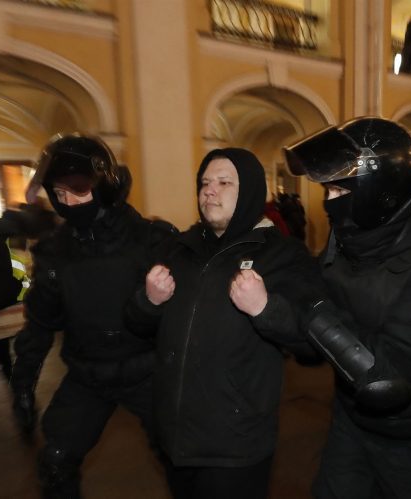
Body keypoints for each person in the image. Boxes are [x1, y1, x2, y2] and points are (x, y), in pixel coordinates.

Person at [284, 117, 411, 499]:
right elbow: (315, 340)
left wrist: (314, 311)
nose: (328, 203)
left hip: (410, 437)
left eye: (339, 192)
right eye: (328, 192)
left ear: (379, 192)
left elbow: (386, 379)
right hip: (349, 418)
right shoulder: (347, 245)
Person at [124, 148, 324, 498]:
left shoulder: (282, 256)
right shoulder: (177, 250)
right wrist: (149, 301)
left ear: (247, 191)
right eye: (204, 182)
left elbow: (312, 344)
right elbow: (135, 325)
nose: (209, 190)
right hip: (175, 438)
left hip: (235, 445)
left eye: (223, 182)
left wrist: (265, 308)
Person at [10, 133, 176, 498]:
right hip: (88, 374)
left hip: (148, 372)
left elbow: (188, 313)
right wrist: (22, 383)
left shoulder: (150, 239)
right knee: (55, 461)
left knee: (182, 458)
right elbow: (39, 322)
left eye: (78, 190)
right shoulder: (55, 252)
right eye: (59, 193)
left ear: (103, 186)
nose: (67, 202)